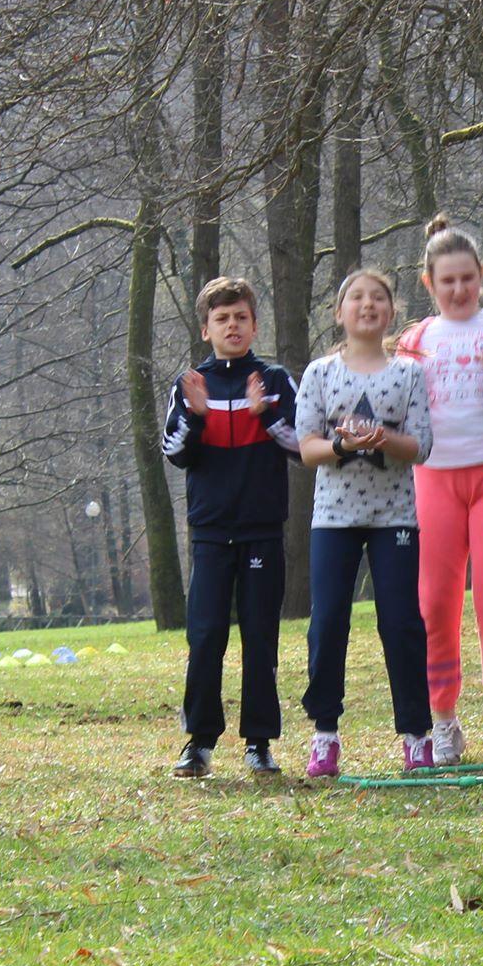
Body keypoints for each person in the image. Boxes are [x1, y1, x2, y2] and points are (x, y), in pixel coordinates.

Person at [296, 269, 436, 777]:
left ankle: (417, 737)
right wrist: (341, 445)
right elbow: (308, 447)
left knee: (400, 623)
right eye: (356, 297)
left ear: (391, 312)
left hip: (395, 516)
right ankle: (324, 736)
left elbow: (420, 445)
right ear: (340, 313)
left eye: (378, 298)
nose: (367, 305)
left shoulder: (409, 374)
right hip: (333, 519)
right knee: (328, 621)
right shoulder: (319, 374)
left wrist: (380, 439)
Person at [395, 217, 483, 766]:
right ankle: (442, 720)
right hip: (433, 478)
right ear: (428, 283)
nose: (458, 290)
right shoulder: (414, 341)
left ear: (482, 276)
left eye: (467, 278)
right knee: (434, 605)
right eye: (446, 281)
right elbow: (394, 402)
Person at [160, 277, 298, 779]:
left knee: (260, 638)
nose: (232, 326)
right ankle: (199, 742)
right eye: (222, 319)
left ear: (254, 324)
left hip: (262, 530)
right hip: (212, 532)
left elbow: (303, 446)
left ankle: (259, 743)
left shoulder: (275, 379)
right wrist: (196, 418)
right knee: (206, 635)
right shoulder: (190, 385)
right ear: (206, 329)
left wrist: (266, 415)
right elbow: (174, 454)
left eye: (241, 317)